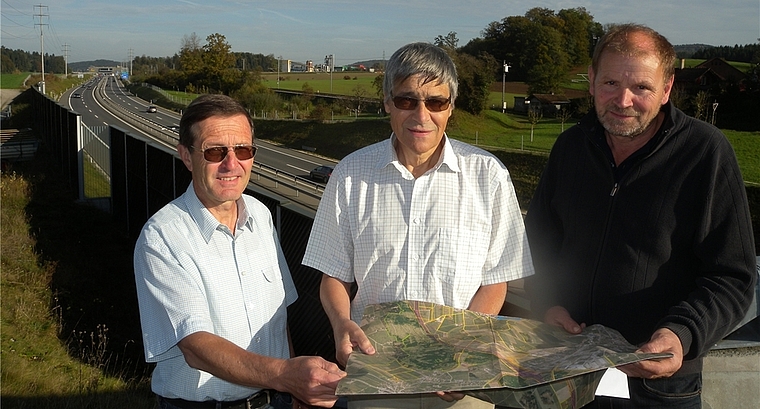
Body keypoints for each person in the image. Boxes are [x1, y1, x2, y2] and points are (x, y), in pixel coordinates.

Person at [524, 23, 756, 409]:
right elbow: (537, 247)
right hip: (564, 369)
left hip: (659, 387)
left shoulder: (705, 154)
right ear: (592, 80)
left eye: (642, 88)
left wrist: (682, 334)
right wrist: (547, 305)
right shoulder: (570, 147)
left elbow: (733, 276)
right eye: (611, 83)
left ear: (666, 89)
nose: (623, 100)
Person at [302, 42, 535, 409]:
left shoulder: (488, 175)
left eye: (436, 102)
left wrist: (465, 347)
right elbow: (333, 276)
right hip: (378, 374)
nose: (421, 115)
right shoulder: (350, 174)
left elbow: (496, 280)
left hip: (460, 377)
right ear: (387, 103)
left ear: (451, 107)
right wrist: (340, 323)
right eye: (407, 100)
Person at [133, 94, 346, 409]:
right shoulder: (162, 238)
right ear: (187, 157)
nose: (231, 164)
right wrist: (286, 374)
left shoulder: (260, 216)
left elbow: (279, 315)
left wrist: (292, 390)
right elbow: (195, 346)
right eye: (215, 151)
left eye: (243, 150)